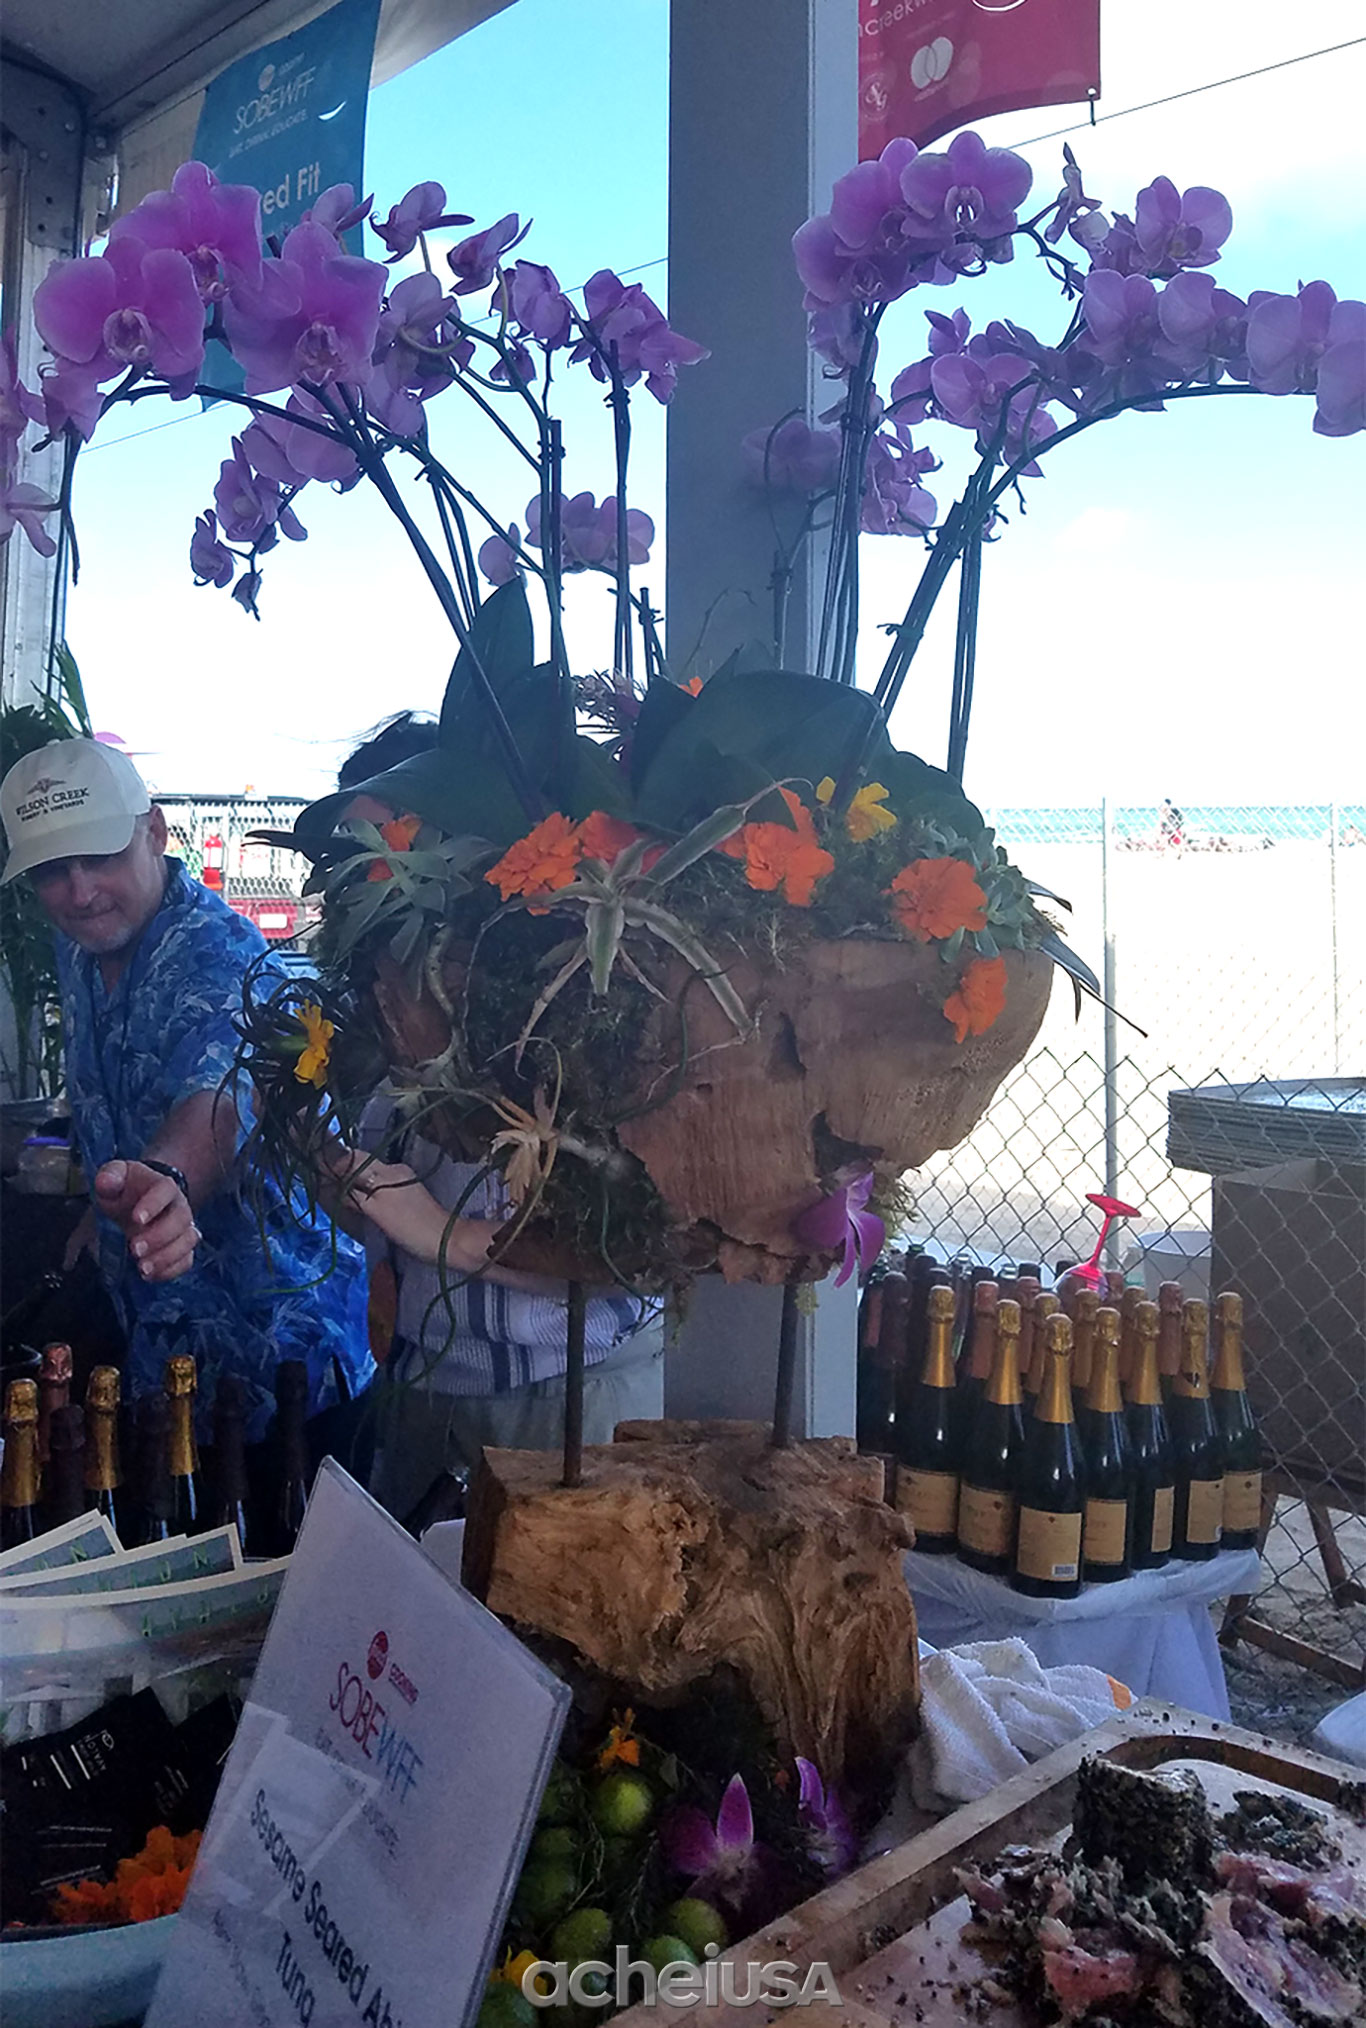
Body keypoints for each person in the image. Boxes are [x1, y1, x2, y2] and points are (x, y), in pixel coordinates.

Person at [329, 720, 664, 1518]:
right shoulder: (382, 995)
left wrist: (435, 1230)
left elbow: (637, 1247)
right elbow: (385, 1213)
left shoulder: (578, 995)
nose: (365, 878)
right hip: (426, 1385)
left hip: (569, 1394)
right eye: (349, 858)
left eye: (389, 848)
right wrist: (346, 1187)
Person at [0, 737, 374, 1442]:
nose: (80, 891)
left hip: (279, 1371)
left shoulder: (221, 958)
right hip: (156, 1360)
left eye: (102, 857)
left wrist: (166, 1183)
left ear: (154, 831)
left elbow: (219, 1099)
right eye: (52, 870)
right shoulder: (80, 942)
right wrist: (104, 1216)